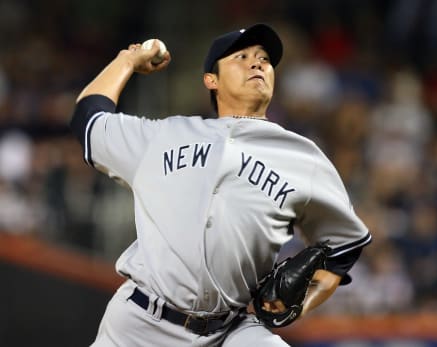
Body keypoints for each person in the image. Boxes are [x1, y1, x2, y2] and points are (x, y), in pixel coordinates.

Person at [70, 23, 371, 347]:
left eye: (264, 59)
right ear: (210, 80)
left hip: (229, 331)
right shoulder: (163, 136)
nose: (257, 63)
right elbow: (88, 119)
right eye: (241, 57)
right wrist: (127, 60)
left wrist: (299, 305)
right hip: (138, 324)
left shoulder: (304, 158)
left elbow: (344, 247)